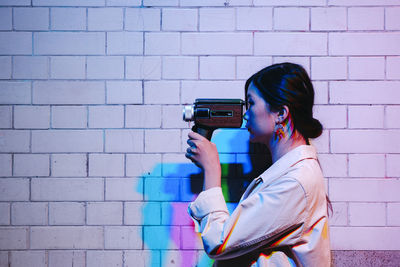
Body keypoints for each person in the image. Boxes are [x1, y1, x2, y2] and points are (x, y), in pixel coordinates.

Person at [185, 63, 331, 266]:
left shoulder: (295, 182)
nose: (246, 113)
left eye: (251, 103)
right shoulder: (291, 174)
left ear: (281, 113)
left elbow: (219, 242)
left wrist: (211, 169)